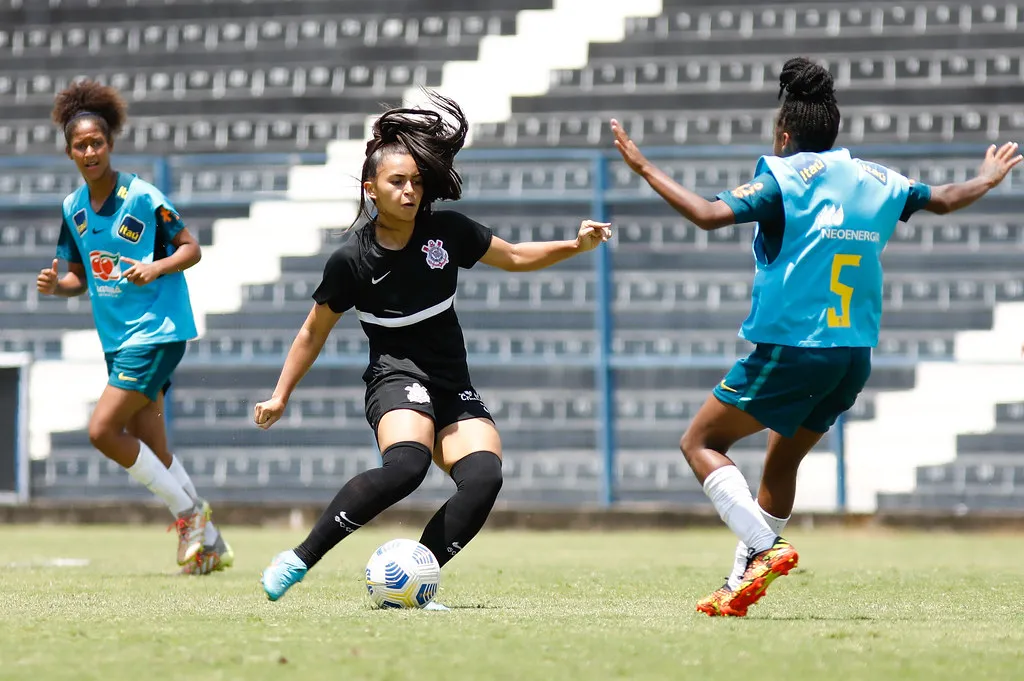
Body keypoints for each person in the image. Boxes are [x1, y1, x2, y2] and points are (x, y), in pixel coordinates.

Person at [610, 57, 1022, 617]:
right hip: (853, 356)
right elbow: (946, 198)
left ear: (785, 134)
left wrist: (643, 168)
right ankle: (739, 585)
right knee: (781, 465)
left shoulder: (783, 179)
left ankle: (764, 546)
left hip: (793, 350)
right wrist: (989, 178)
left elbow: (707, 214)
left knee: (700, 443)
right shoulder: (880, 180)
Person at [255, 91, 611, 606]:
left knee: (484, 477)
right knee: (406, 467)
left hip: (452, 383)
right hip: (395, 378)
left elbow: (513, 256)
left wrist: (573, 246)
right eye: (397, 182)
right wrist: (280, 394)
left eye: (417, 182)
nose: (409, 191)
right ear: (370, 189)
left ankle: (414, 583)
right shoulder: (351, 260)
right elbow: (313, 330)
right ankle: (299, 558)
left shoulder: (446, 232)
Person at [38, 79, 233, 575]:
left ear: (109, 144)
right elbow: (78, 278)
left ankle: (189, 516)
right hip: (118, 339)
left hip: (157, 331)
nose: (89, 151)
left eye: (96, 142)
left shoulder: (143, 197)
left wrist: (155, 267)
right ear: (69, 152)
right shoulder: (72, 209)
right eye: (80, 145)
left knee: (103, 430)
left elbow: (191, 247)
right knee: (153, 444)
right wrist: (57, 286)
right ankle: (210, 543)